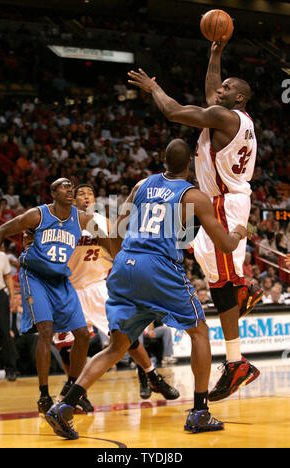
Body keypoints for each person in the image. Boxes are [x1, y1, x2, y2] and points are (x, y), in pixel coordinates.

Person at [45, 138, 248, 439]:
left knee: (117, 346)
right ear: (190, 164)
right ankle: (200, 411)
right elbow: (224, 244)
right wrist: (240, 231)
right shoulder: (194, 196)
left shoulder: (141, 185)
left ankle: (64, 406)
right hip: (159, 266)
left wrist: (124, 262)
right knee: (199, 332)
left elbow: (118, 229)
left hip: (126, 262)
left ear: (164, 161)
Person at [127, 46, 263, 402]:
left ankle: (236, 363)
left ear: (240, 98)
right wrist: (215, 53)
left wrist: (153, 88)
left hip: (223, 203)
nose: (219, 89)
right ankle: (244, 293)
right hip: (225, 201)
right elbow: (210, 92)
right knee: (213, 273)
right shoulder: (230, 116)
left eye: (227, 87)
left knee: (223, 283)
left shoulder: (224, 116)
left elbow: (173, 112)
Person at [54, 183, 180, 404]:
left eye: (90, 193)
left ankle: (151, 375)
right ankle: (77, 390)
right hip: (71, 287)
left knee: (124, 338)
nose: (86, 197)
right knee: (67, 346)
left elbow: (119, 250)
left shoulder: (104, 222)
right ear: (73, 201)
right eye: (81, 194)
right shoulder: (63, 224)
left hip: (99, 285)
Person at [0, 178, 97, 415]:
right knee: (46, 331)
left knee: (82, 335)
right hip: (35, 276)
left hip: (60, 278)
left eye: (71, 186)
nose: (69, 188)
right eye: (63, 186)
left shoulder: (81, 218)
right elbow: (1, 230)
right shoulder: (37, 215)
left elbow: (109, 238)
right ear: (53, 193)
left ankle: (71, 388)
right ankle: (43, 395)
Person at [0, 231, 17, 381]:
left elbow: (8, 277)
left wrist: (12, 298)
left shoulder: (1, 256)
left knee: (5, 333)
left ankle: (11, 369)